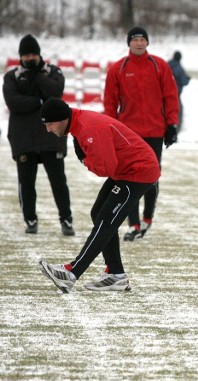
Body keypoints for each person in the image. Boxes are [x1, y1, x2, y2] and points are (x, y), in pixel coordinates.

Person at [37, 98, 160, 293]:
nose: (48, 129)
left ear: (61, 119)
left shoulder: (88, 128)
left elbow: (105, 168)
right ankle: (116, 275)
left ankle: (72, 272)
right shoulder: (78, 124)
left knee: (105, 220)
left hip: (139, 171)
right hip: (125, 171)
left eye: (49, 124)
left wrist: (85, 160)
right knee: (98, 214)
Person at [103, 26, 179, 241]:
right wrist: (110, 127)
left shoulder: (159, 65)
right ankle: (133, 225)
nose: (138, 43)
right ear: (129, 43)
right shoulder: (118, 68)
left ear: (147, 42)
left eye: (142, 39)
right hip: (128, 134)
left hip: (155, 131)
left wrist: (172, 124)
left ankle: (147, 218)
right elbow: (110, 102)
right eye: (135, 39)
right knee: (130, 179)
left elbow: (170, 96)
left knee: (153, 178)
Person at [2, 34, 75, 236]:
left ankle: (66, 220)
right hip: (23, 138)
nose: (30, 58)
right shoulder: (11, 76)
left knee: (58, 181)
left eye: (33, 53)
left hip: (52, 137)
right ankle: (30, 220)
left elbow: (55, 93)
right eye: (26, 54)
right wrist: (41, 102)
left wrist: (38, 76)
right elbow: (13, 103)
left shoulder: (52, 71)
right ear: (20, 56)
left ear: (39, 54)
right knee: (26, 183)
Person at [167, 51, 190, 131]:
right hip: (176, 94)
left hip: (165, 92)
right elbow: (184, 81)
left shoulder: (167, 64)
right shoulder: (180, 68)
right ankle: (176, 130)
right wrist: (188, 78)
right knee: (178, 111)